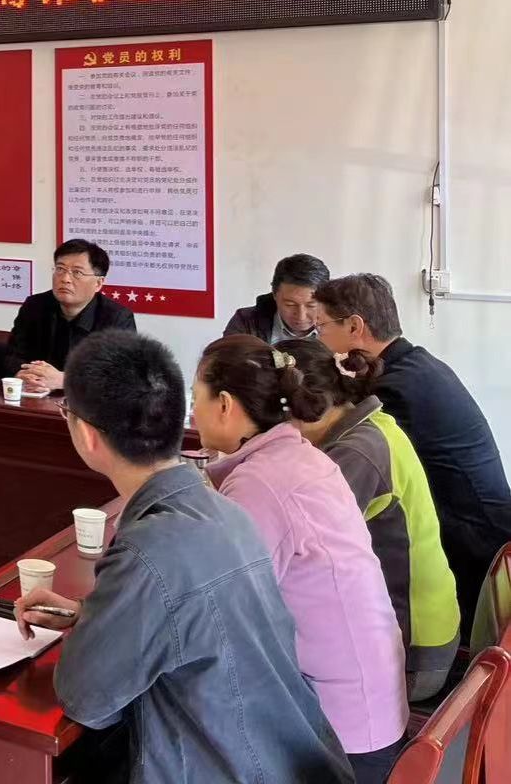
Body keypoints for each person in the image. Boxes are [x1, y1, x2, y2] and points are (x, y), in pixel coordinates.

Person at [12, 331, 349, 784]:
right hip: (287, 760)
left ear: (88, 435)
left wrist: (96, 626)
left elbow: (86, 699)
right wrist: (92, 615)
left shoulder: (149, 548)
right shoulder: (226, 510)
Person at [193, 335, 407, 781]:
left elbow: (220, 611)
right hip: (370, 704)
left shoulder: (260, 482)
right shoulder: (299, 455)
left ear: (225, 405)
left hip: (341, 735)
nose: (193, 413)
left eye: (197, 399)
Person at [313, 272, 511, 625]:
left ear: (355, 326)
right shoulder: (417, 365)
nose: (318, 339)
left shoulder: (396, 390)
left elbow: (348, 473)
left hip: (471, 552)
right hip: (487, 533)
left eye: (321, 327)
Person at [287, 339, 460, 701]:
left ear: (299, 406)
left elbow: (294, 545)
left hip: (413, 656)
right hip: (431, 630)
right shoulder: (372, 424)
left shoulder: (354, 453)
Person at [9, 239, 134, 394]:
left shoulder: (117, 318)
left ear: (98, 283)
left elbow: (121, 378)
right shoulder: (35, 306)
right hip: (34, 396)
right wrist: (24, 374)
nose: (65, 279)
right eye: (60, 269)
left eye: (77, 272)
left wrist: (64, 380)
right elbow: (13, 355)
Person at [223, 253, 329, 343]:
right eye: (290, 305)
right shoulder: (247, 322)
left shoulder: (338, 325)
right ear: (274, 294)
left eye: (311, 305)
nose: (301, 316)